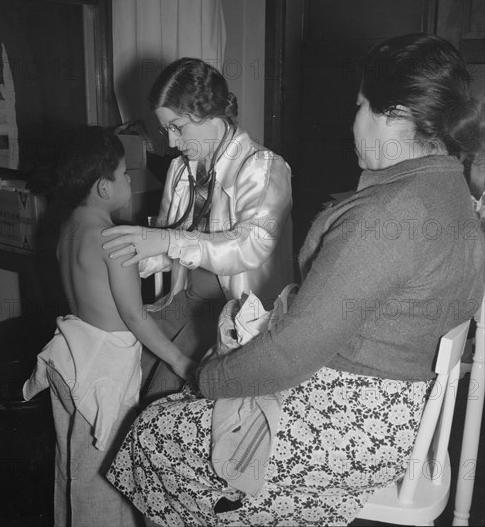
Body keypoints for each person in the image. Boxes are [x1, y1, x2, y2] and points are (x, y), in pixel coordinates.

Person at [106, 34, 485, 526]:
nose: (353, 120)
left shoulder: (390, 215)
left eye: (360, 106)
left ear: (394, 114)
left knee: (152, 433)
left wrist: (206, 380)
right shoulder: (451, 192)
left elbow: (290, 354)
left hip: (354, 425)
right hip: (393, 408)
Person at [22, 126, 194, 527]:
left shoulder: (68, 230)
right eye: (123, 173)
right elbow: (133, 318)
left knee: (71, 468)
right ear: (103, 188)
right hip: (102, 376)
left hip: (68, 359)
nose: (131, 178)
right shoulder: (116, 239)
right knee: (105, 478)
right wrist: (180, 361)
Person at [102, 58, 294, 400]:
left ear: (208, 113)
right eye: (166, 131)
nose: (173, 143)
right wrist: (130, 254)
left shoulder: (263, 167)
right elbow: (166, 248)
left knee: (160, 396)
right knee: (123, 371)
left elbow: (250, 247)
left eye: (178, 127)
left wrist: (166, 240)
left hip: (232, 313)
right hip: (186, 301)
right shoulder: (180, 171)